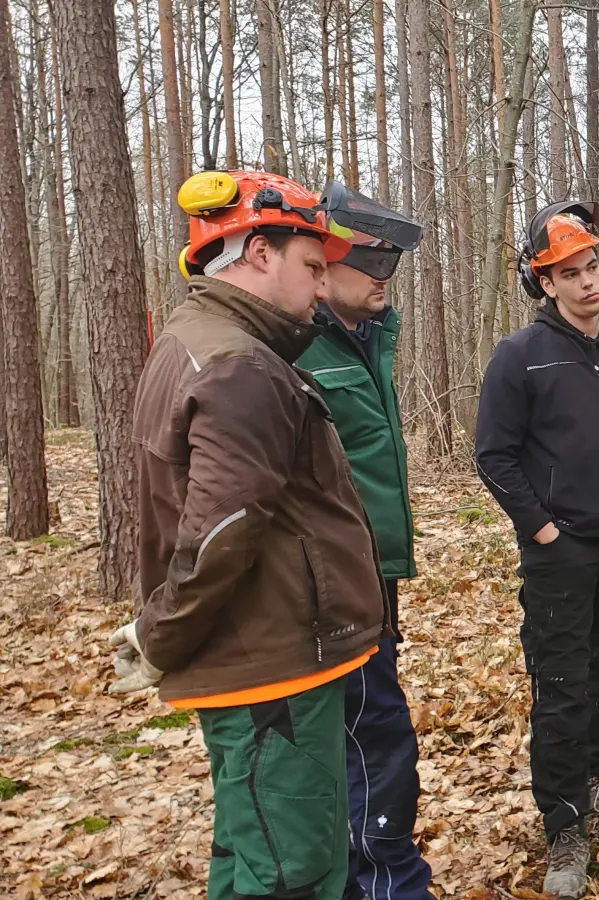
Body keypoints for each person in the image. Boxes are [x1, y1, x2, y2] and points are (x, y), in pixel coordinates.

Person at [110, 170, 386, 900]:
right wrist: (160, 633)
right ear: (259, 252)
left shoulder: (201, 343)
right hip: (273, 670)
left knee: (251, 849)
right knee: (293, 869)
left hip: (262, 660)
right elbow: (222, 526)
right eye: (312, 267)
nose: (323, 290)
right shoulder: (240, 366)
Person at [473, 201, 599, 900]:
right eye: (570, 272)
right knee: (562, 686)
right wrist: (542, 529)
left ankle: (592, 784)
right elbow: (493, 456)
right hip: (563, 551)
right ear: (544, 283)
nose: (589, 281)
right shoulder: (519, 357)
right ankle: (563, 824)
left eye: (593, 266)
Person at [296, 182, 433, 900]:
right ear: (323, 266)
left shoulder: (363, 340)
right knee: (374, 746)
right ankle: (389, 885)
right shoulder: (296, 352)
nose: (385, 281)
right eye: (371, 265)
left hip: (371, 576)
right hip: (327, 591)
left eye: (393, 267)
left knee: (362, 743)